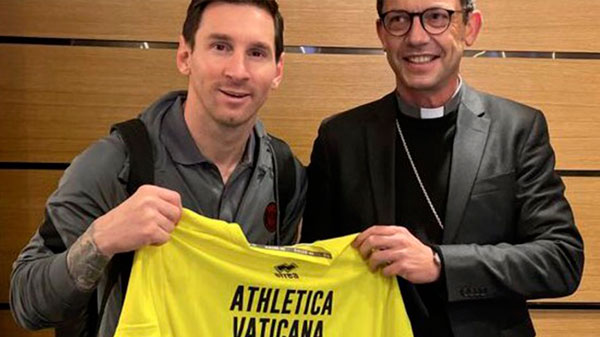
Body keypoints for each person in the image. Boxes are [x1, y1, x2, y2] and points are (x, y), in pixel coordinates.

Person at [10, 1, 306, 336]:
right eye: (220, 47)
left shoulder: (286, 175)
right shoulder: (115, 164)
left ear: (277, 70)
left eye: (257, 52)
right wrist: (101, 240)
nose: (238, 70)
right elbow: (26, 303)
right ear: (185, 56)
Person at [302, 0, 584, 336]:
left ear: (470, 27)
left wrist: (440, 263)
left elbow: (561, 260)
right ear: (382, 34)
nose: (417, 37)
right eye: (399, 19)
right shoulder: (340, 138)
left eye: (437, 17)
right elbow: (316, 270)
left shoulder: (518, 129)